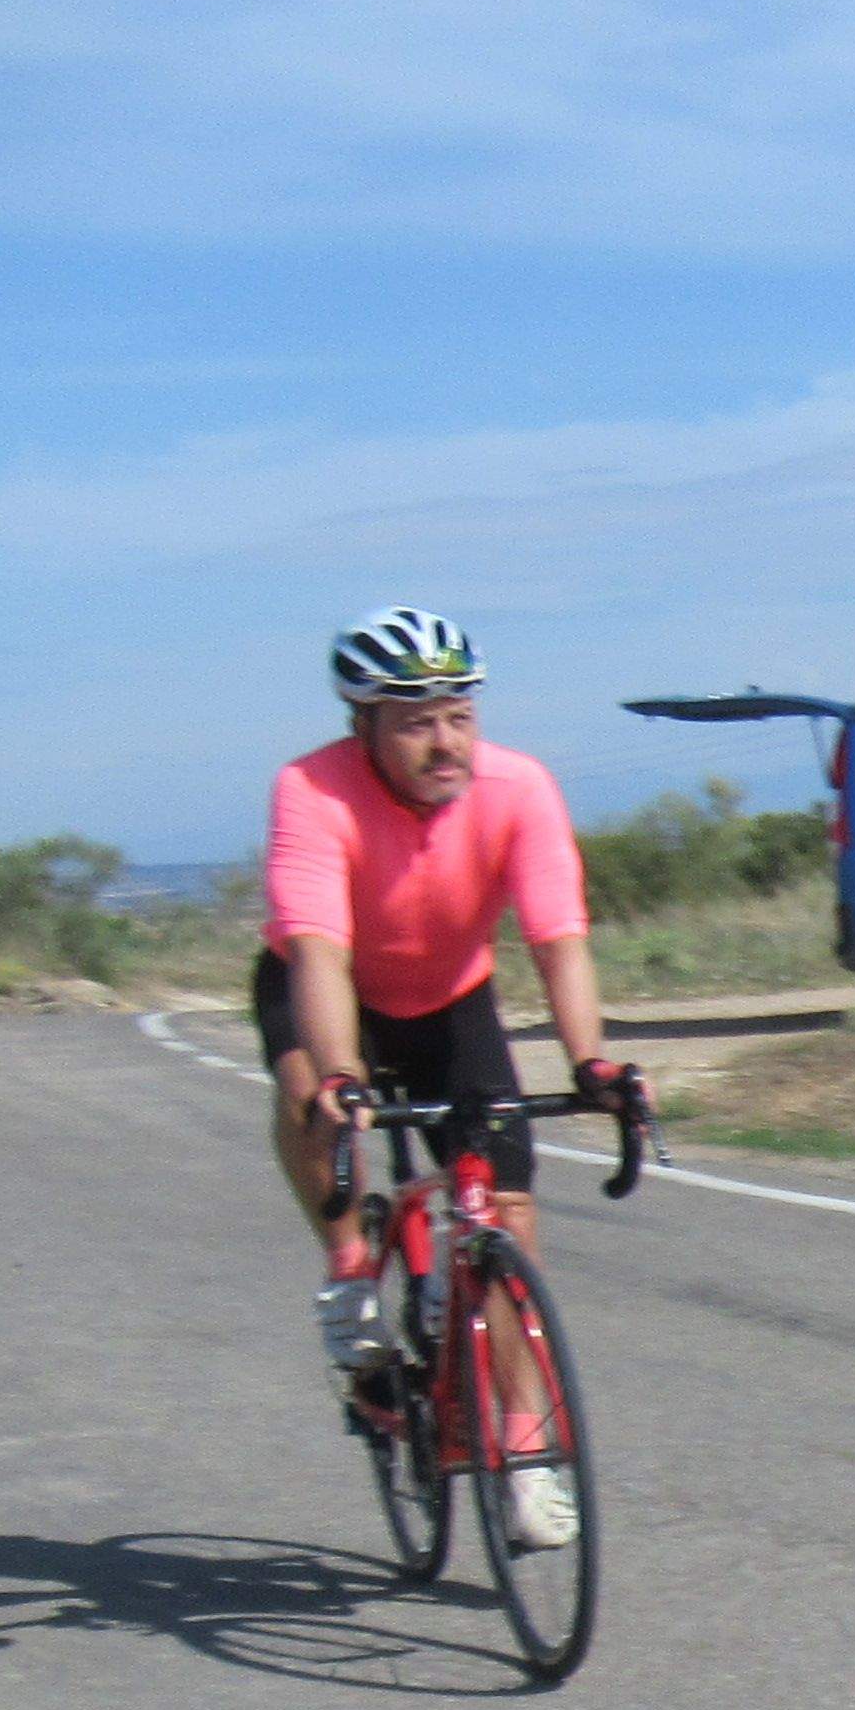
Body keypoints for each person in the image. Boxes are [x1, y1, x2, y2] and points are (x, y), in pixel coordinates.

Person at [256, 609, 645, 1553]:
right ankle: (351, 1270)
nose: (445, 742)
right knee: (312, 1090)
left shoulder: (519, 789)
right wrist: (343, 1077)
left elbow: (559, 942)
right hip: (332, 988)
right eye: (416, 720)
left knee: (506, 1215)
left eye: (458, 716)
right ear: (366, 728)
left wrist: (589, 1061)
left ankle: (526, 1453)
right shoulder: (313, 791)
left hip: (450, 1002)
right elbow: (315, 949)